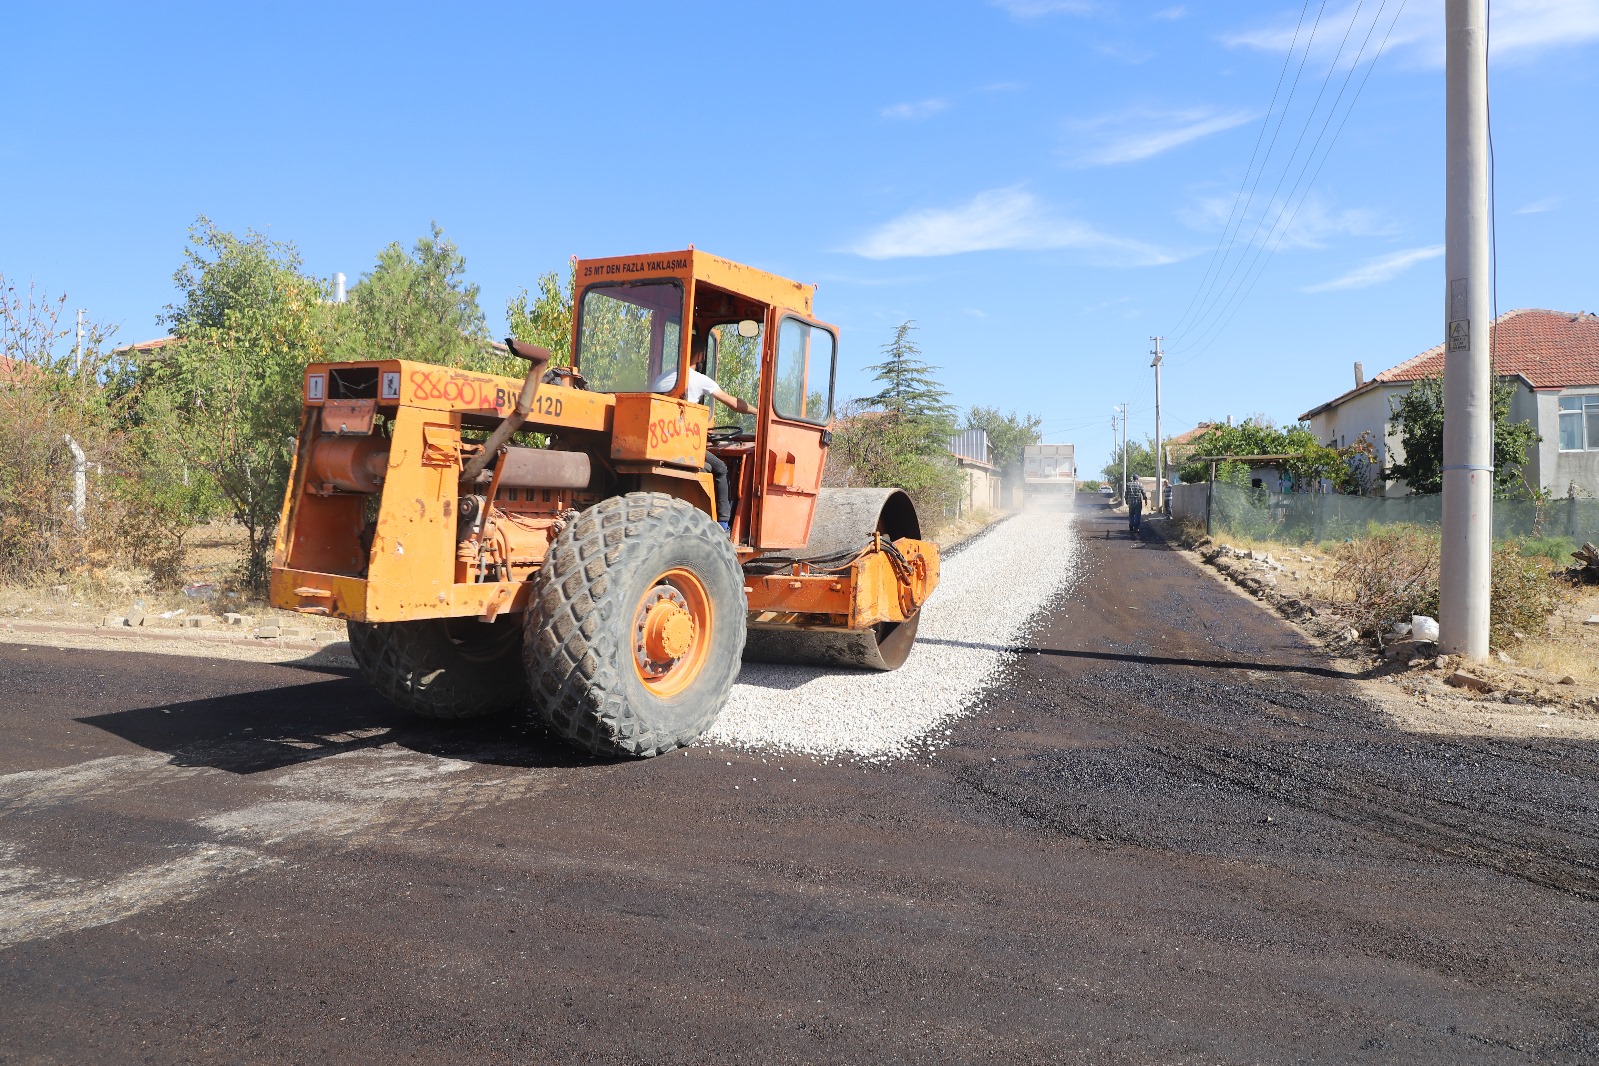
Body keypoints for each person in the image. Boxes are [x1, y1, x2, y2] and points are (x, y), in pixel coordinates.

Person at [651, 332, 756, 532]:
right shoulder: (698, 379)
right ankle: (724, 524)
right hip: (682, 442)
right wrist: (758, 411)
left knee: (708, 463)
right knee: (721, 468)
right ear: (699, 355)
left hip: (661, 440)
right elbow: (733, 403)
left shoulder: (662, 378)